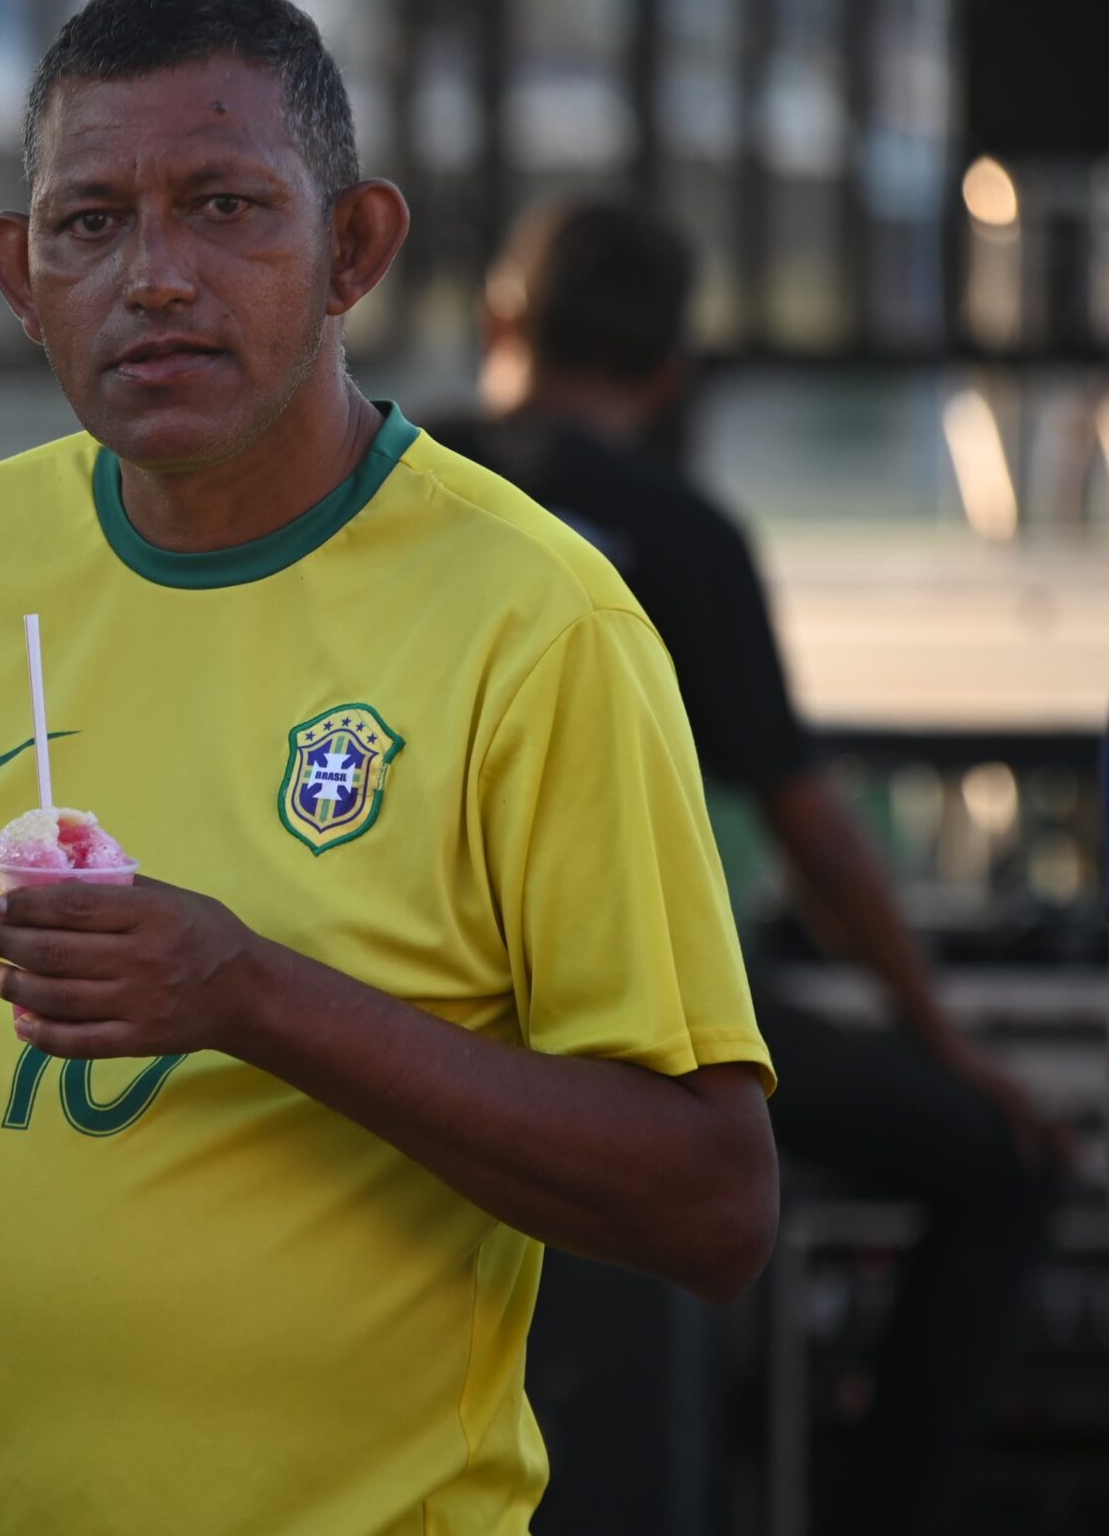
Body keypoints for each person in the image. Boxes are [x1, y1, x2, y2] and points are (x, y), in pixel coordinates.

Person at [0, 0, 780, 1535]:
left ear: (353, 251)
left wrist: (246, 994)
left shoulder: (536, 624)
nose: (153, 277)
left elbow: (714, 1203)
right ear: (18, 277)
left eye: (226, 205)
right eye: (89, 224)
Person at [447, 198, 1065, 1536]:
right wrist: (944, 1043)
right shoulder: (684, 536)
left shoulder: (394, 479)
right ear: (672, 372)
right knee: (1010, 1171)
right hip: (629, 1027)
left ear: (501, 321)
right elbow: (818, 836)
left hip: (400, 1002)